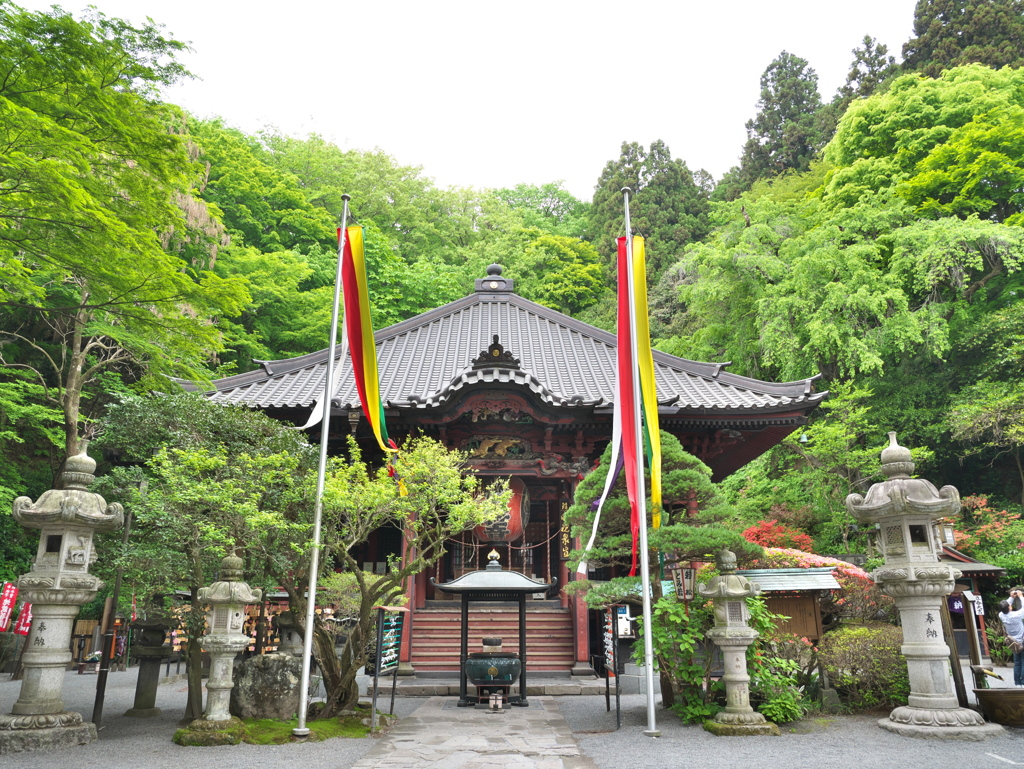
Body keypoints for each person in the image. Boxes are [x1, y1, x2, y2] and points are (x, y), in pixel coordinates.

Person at [998, 594, 1024, 686]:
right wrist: (1021, 597)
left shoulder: (1001, 615)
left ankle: (1017, 683)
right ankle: (1023, 683)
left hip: (1013, 642)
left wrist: (1012, 597)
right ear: (1009, 608)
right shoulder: (1016, 615)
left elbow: (1005, 606)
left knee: (1017, 663)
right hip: (1022, 640)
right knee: (1023, 662)